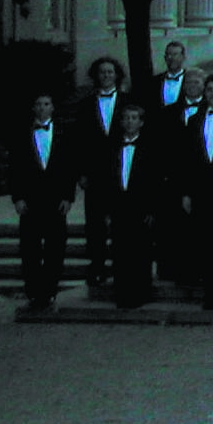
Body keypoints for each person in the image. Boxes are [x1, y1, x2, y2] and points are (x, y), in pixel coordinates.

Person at [13, 92, 76, 311]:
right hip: (30, 201)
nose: (42, 108)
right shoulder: (21, 134)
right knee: (29, 248)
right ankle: (33, 292)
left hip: (56, 200)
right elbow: (15, 168)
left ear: (53, 108)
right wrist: (18, 197)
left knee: (55, 248)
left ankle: (49, 291)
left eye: (46, 104)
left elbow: (70, 167)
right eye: (38, 104)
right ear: (33, 108)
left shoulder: (64, 133)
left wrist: (68, 197)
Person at [74, 54, 128, 286]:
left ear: (116, 75)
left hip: (121, 172)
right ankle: (96, 266)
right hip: (95, 174)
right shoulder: (85, 105)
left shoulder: (129, 101)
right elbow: (79, 142)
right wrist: (81, 172)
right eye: (102, 72)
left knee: (120, 223)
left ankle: (121, 266)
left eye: (110, 71)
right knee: (94, 224)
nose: (106, 76)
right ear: (96, 75)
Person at [104, 103, 160, 308]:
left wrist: (152, 209)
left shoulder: (150, 147)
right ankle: (122, 293)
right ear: (121, 122)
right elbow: (107, 179)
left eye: (134, 118)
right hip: (119, 205)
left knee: (141, 251)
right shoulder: (112, 147)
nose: (129, 122)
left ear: (141, 122)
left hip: (141, 207)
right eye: (126, 118)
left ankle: (141, 292)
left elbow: (155, 181)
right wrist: (108, 208)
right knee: (120, 250)